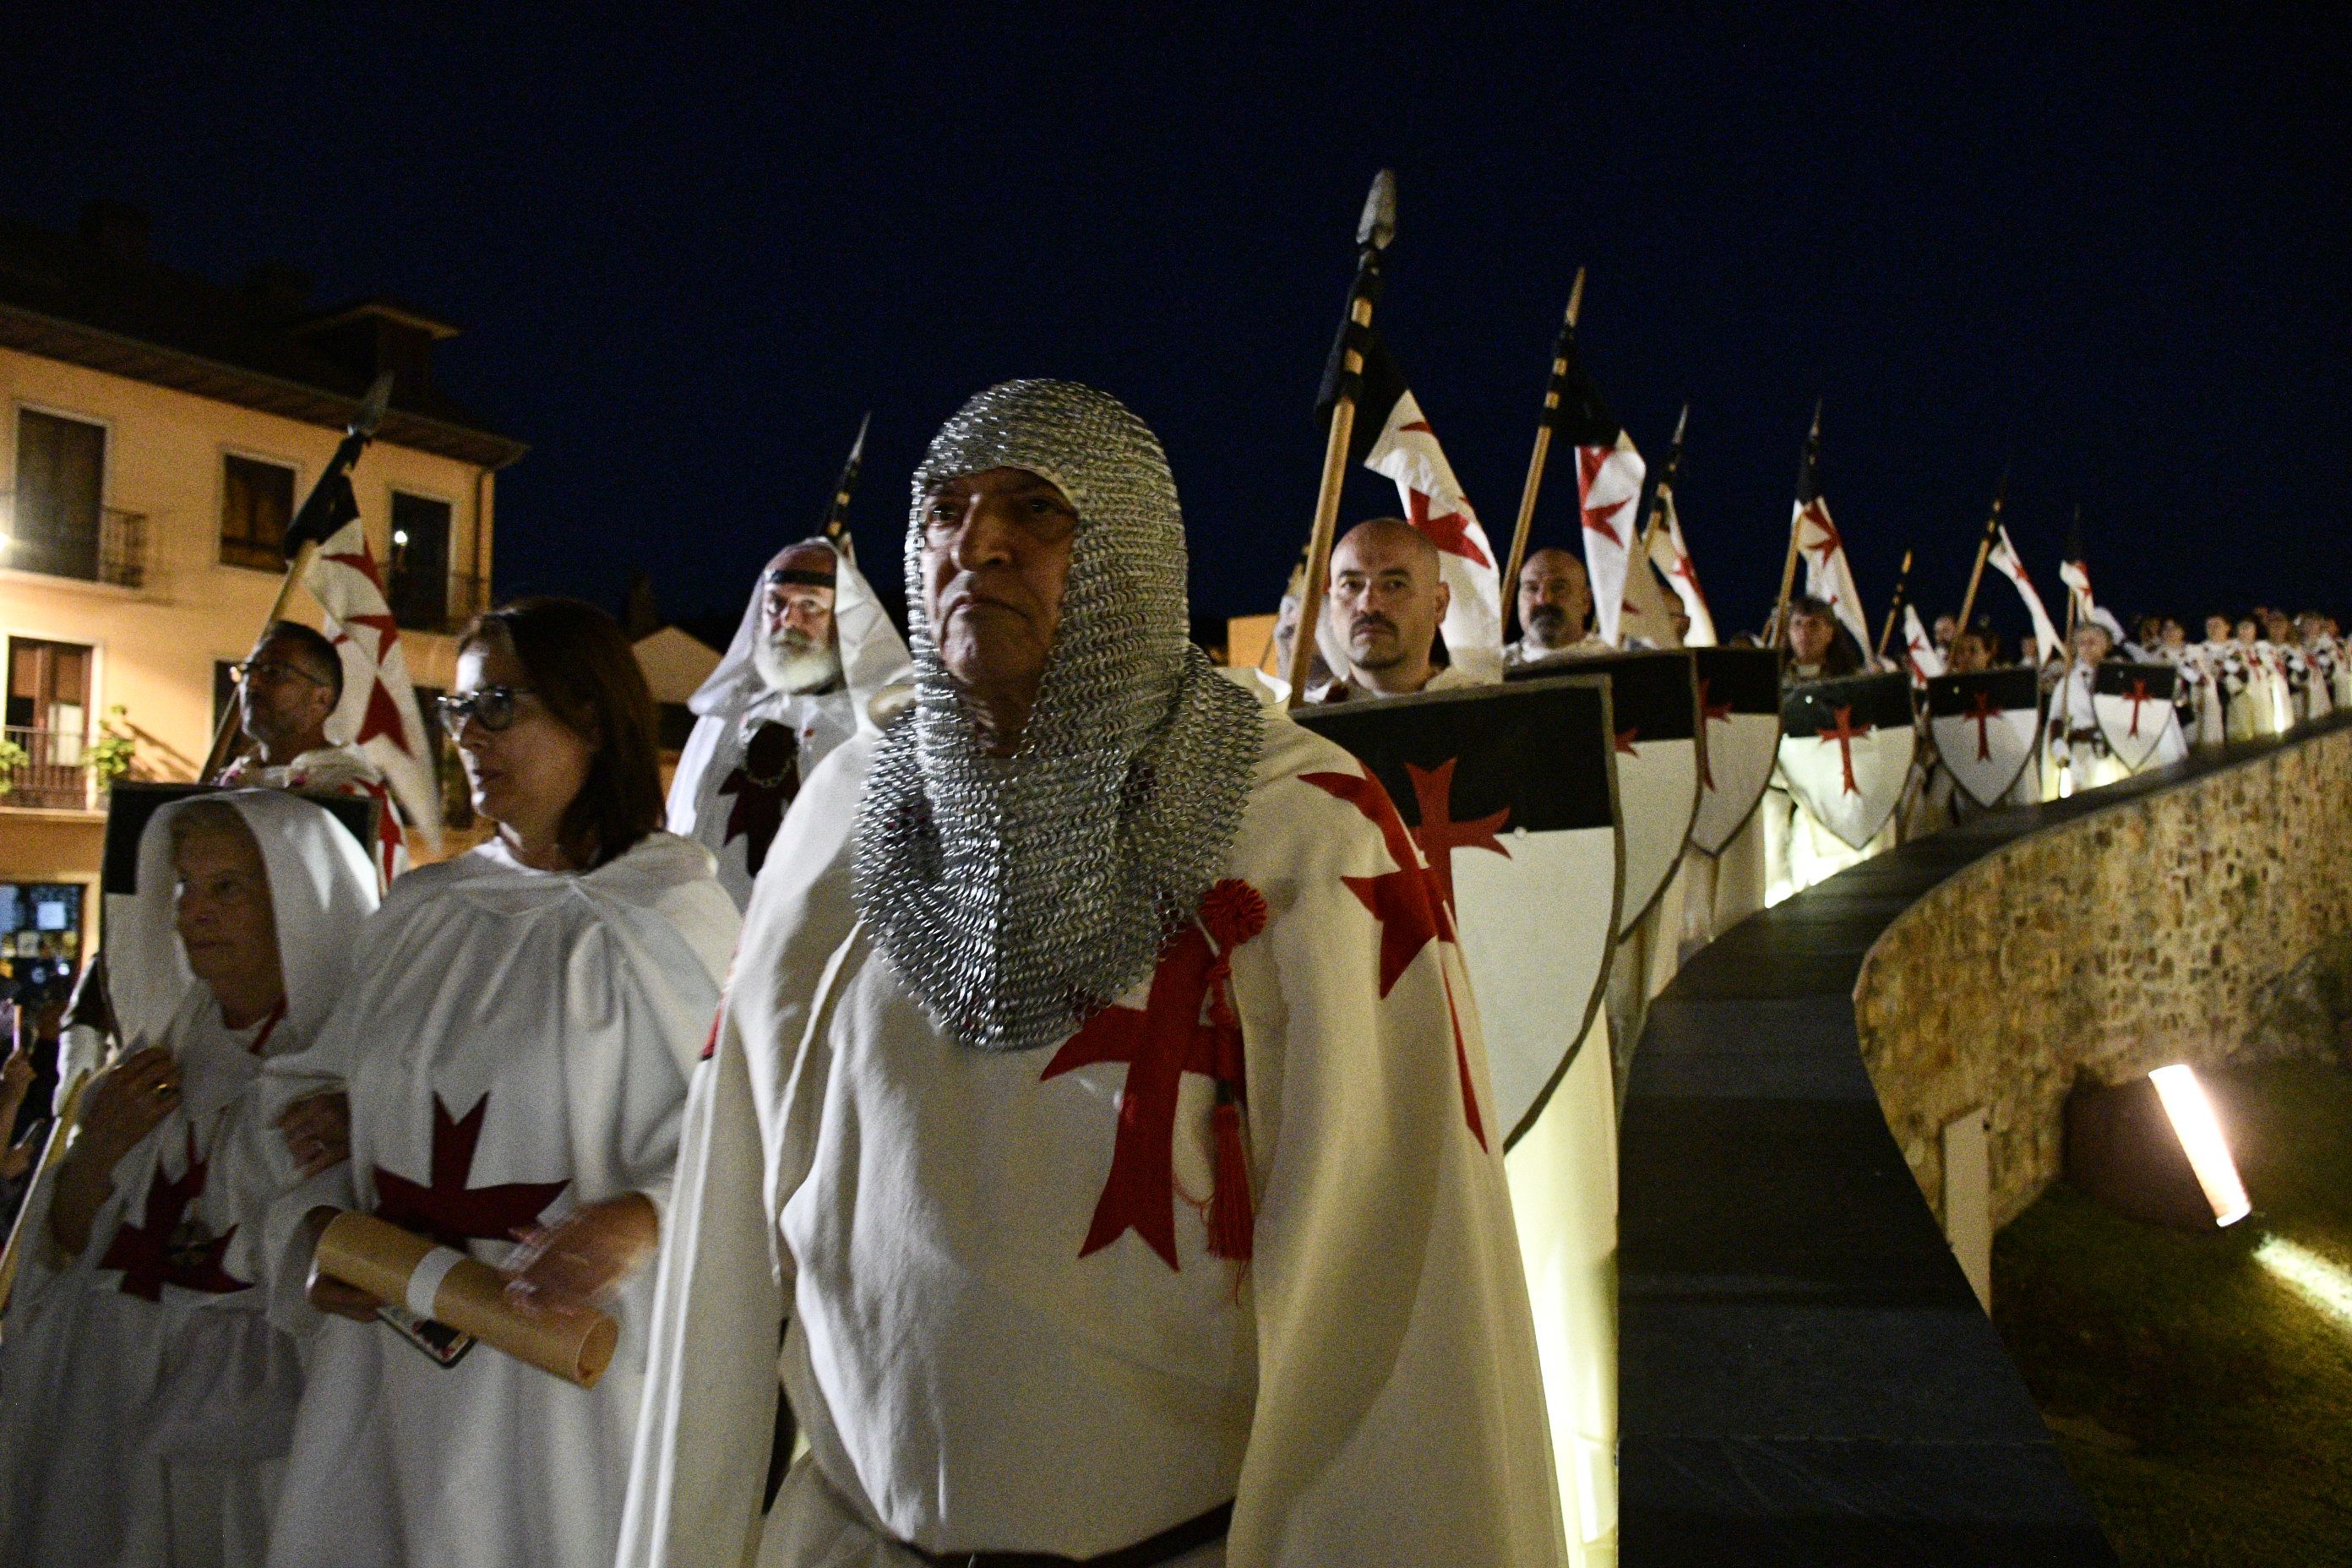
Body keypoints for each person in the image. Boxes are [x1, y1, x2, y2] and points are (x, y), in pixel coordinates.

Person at [619, 381, 1564, 1567]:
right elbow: (727, 1221)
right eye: (947, 513)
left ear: (1125, 554)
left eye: (1035, 510)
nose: (979, 544)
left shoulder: (1297, 830)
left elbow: (1392, 1301)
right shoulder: (847, 813)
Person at [264, 598, 738, 1568]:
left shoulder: (673, 912)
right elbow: (307, 1101)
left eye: (498, 707)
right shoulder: (425, 909)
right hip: (389, 1369)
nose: (467, 735)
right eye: (457, 710)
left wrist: (648, 1215)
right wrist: (321, 1207)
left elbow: (746, 1125)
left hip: (572, 1377)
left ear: (591, 717)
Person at [0, 792, 378, 1567]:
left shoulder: (360, 1073)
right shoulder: (147, 1063)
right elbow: (63, 1253)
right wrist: (100, 1149)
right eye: (184, 886)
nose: (192, 911)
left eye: (227, 887)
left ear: (299, 902)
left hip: (260, 1432)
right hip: (112, 1411)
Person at [667, 539, 912, 909]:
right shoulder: (719, 721)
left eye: (809, 605)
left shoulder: (877, 735)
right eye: (776, 604)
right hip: (708, 938)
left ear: (844, 618)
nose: (788, 621)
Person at [217, 621, 406, 885]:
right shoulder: (229, 783)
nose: (253, 684)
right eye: (248, 670)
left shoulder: (356, 795)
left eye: (274, 672)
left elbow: (375, 907)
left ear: (322, 698)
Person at [1307, 515, 1484, 701]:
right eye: (1351, 585)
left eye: (1394, 585)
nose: (1367, 606)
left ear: (1439, 603)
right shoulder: (1298, 724)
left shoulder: (1489, 715)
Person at [1504, 547, 1608, 668]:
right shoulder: (1491, 671)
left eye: (1558, 588)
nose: (1543, 600)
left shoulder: (1616, 664)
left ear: (1586, 601)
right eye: (1532, 588)